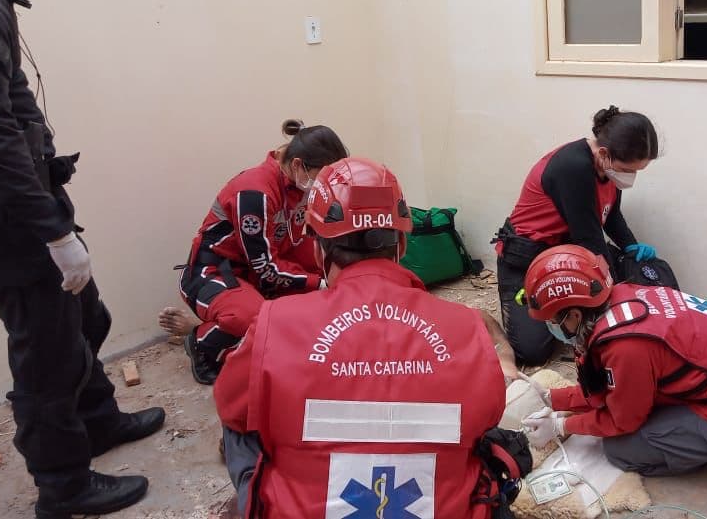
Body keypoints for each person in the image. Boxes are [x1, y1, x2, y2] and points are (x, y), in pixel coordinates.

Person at [214, 157, 522, 517]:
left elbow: (231, 407)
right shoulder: (467, 328)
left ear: (317, 251)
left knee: (242, 413)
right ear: (402, 247)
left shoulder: (274, 325)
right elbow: (488, 416)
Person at [0, 0, 165, 516]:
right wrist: (52, 232)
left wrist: (52, 177)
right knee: (46, 354)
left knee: (86, 317)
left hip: (32, 203)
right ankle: (63, 486)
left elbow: (14, 99)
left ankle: (98, 422)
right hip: (8, 223)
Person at [519, 245, 707, 477]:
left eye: (553, 320)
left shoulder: (625, 346)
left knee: (621, 449)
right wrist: (551, 398)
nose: (551, 327)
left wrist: (562, 425)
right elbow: (606, 391)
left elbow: (623, 420)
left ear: (575, 315)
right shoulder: (625, 295)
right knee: (647, 398)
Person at [160, 119, 348, 385]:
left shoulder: (297, 184)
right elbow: (266, 267)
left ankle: (258, 318)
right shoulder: (254, 193)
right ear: (297, 165)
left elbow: (304, 240)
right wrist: (320, 283)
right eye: (322, 176)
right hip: (214, 273)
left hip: (259, 269)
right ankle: (200, 342)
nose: (325, 184)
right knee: (257, 321)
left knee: (335, 264)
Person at [493, 105, 665, 366]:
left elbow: (611, 215)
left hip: (567, 253)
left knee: (628, 287)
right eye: (628, 169)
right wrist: (617, 297)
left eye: (637, 171)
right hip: (528, 259)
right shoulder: (572, 168)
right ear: (605, 153)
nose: (631, 177)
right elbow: (590, 239)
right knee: (532, 351)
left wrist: (631, 246)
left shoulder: (607, 167)